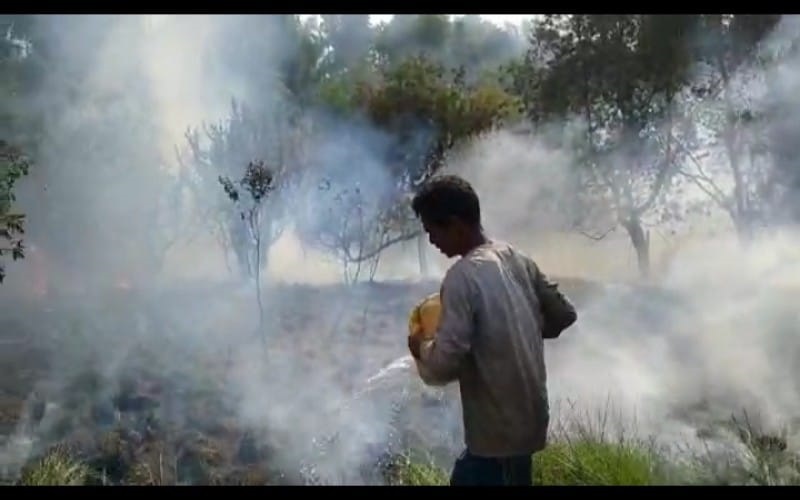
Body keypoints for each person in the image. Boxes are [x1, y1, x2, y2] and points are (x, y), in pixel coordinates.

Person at [407, 174, 578, 486]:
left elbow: (444, 365)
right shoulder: (517, 258)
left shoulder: (461, 277)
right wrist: (517, 328)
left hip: (495, 440)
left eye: (433, 231)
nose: (432, 241)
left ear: (456, 225)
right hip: (529, 428)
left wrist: (419, 346)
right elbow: (563, 314)